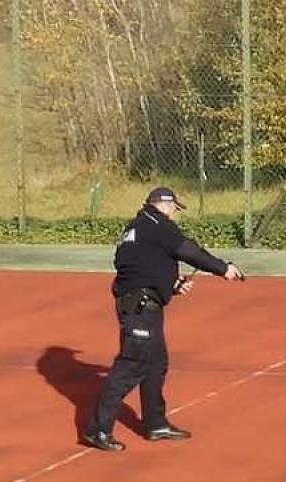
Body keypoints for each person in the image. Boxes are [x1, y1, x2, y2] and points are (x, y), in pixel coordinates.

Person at [82, 187, 245, 451]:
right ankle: (97, 429)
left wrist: (170, 284)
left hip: (142, 303)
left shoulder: (136, 228)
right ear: (164, 205)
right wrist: (222, 268)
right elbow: (188, 251)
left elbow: (135, 266)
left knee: (156, 363)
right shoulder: (157, 225)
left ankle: (155, 423)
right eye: (174, 208)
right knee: (130, 366)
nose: (175, 214)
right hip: (140, 308)